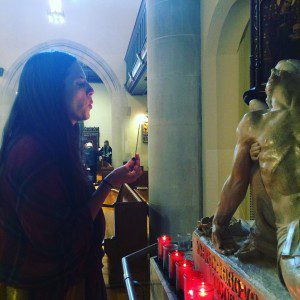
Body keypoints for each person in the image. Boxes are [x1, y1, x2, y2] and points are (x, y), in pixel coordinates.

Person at [0, 51, 142, 299]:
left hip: (65, 280)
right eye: (80, 84)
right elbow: (60, 238)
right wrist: (107, 184)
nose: (91, 91)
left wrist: (112, 180)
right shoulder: (32, 151)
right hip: (48, 288)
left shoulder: (52, 141)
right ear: (51, 91)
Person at [212, 59, 300, 298]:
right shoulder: (256, 123)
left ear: (273, 81)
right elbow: (237, 182)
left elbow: (236, 182)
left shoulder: (256, 124)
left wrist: (219, 224)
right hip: (294, 233)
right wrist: (218, 223)